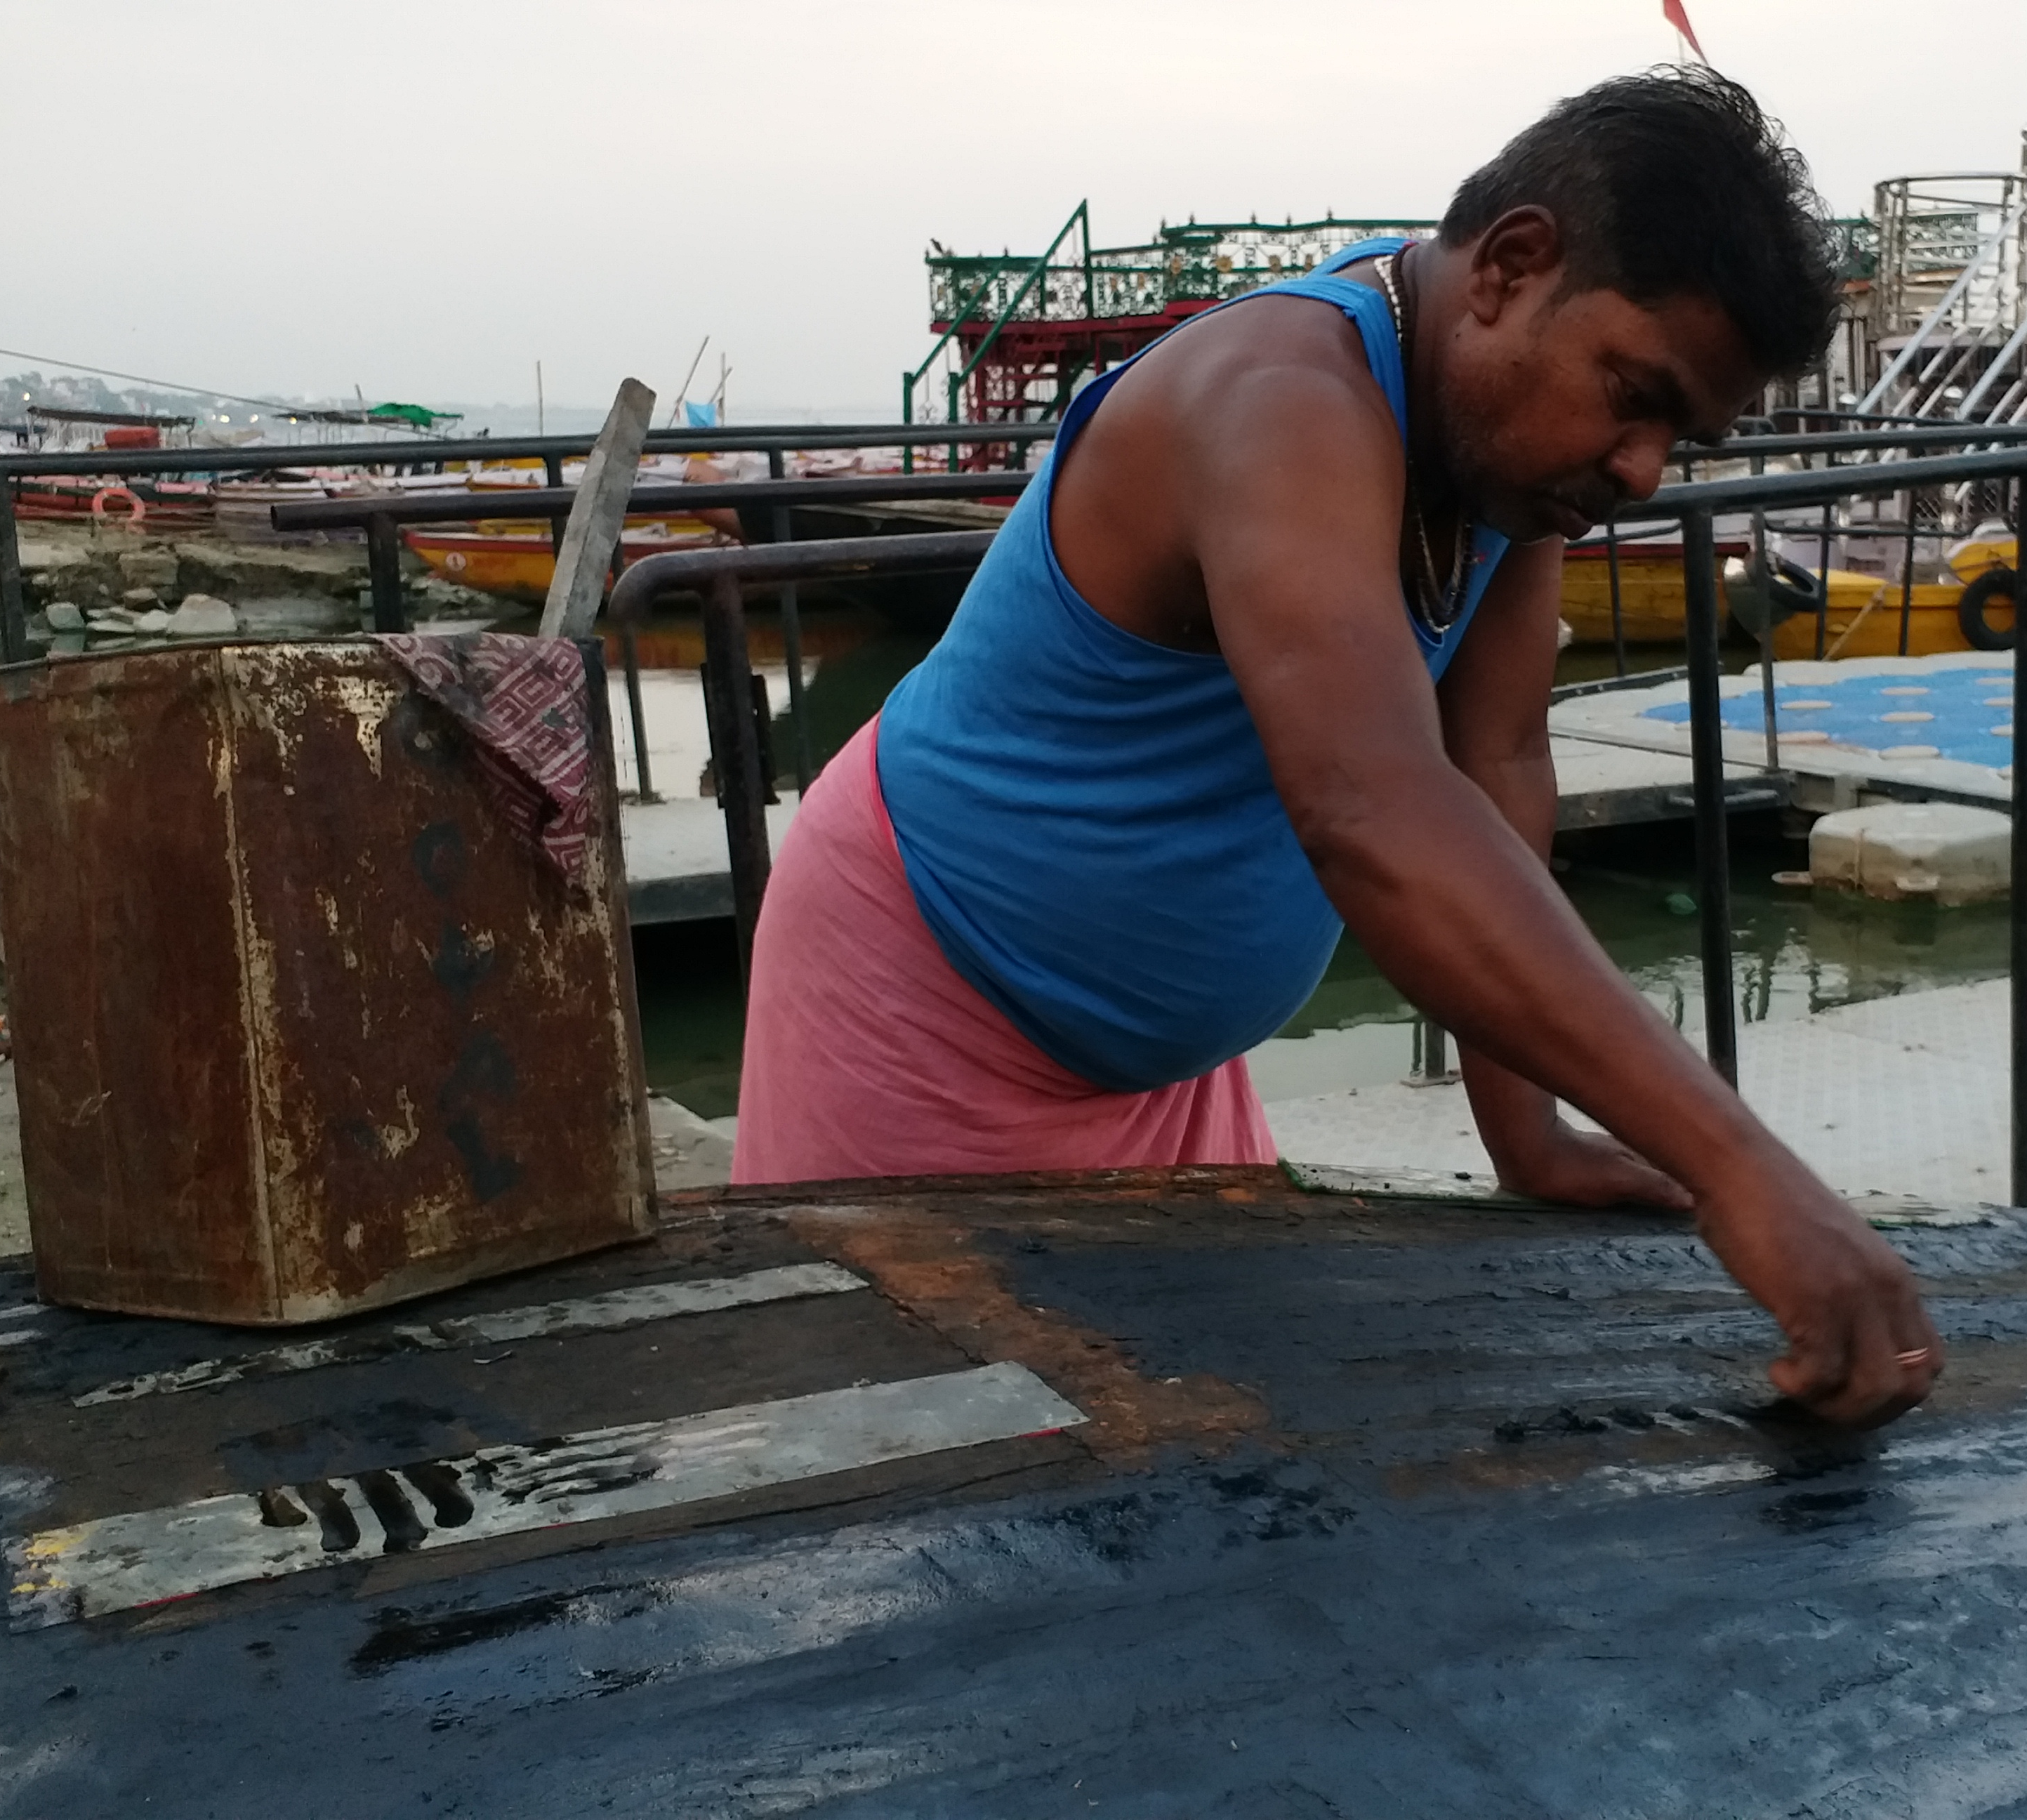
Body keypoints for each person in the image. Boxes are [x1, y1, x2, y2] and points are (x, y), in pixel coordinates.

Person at [736, 67, 1940, 1427]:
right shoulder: (1279, 401)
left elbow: (1496, 772)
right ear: (1513, 267)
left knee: (1199, 1483)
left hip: (1166, 1085)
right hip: (925, 1011)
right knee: (919, 1467)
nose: (1645, 469)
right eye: (1633, 394)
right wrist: (1743, 1170)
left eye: (1683, 437)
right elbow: (1371, 808)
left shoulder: (1504, 462)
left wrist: (1526, 1131)